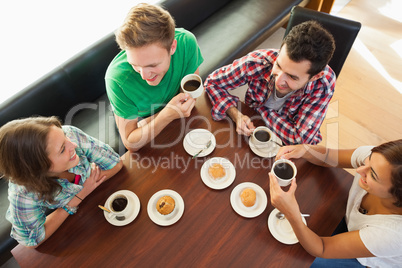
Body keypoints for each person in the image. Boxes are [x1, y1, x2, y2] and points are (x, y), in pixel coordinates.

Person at [269, 140, 402, 267]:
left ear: (397, 196)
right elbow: (328, 156)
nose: (359, 169)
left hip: (362, 258)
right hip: (348, 220)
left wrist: (291, 213)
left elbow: (322, 247)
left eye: (372, 175)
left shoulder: (391, 235)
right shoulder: (380, 161)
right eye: (369, 159)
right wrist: (304, 150)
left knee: (294, 260)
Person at [205, 20, 336, 145]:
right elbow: (212, 82)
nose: (278, 81)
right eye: (278, 65)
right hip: (252, 130)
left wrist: (260, 108)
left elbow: (300, 140)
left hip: (287, 149)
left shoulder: (324, 83)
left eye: (292, 77)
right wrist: (235, 114)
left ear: (314, 77)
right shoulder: (258, 62)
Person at [0, 117, 123, 248]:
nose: (73, 144)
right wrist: (77, 198)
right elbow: (32, 241)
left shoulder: (71, 134)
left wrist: (85, 190)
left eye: (64, 136)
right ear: (40, 167)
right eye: (63, 149)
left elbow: (115, 163)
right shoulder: (23, 192)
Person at [105, 3, 204, 152]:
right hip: (135, 118)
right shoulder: (116, 79)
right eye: (135, 65)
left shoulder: (187, 42)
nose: (144, 75)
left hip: (163, 123)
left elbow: (192, 96)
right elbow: (131, 143)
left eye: (152, 65)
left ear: (172, 47)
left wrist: (150, 123)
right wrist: (166, 115)